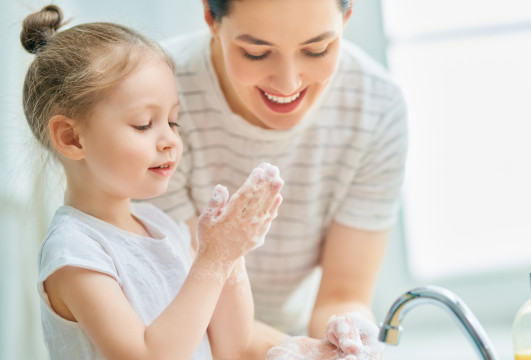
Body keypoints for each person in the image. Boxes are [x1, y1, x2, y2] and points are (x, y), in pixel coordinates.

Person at [147, 0, 409, 358]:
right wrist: (302, 351)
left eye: (317, 49)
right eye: (256, 52)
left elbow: (343, 294)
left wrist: (347, 340)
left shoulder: (377, 107)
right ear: (211, 17)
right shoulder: (154, 96)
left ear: (346, 19)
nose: (289, 82)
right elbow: (191, 301)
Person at [21, 5, 283, 360]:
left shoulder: (161, 227)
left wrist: (232, 255)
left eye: (173, 122)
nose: (170, 140)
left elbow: (230, 345)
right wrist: (213, 259)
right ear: (72, 138)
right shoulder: (74, 253)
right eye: (144, 124)